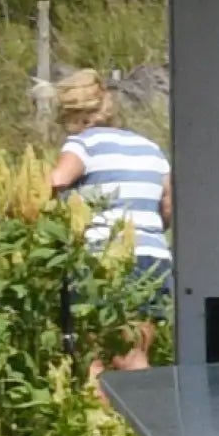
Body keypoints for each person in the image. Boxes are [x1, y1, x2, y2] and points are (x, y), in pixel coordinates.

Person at [50, 65, 172, 358]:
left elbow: (57, 180)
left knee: (98, 358)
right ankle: (139, 404)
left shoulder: (83, 143)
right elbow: (167, 204)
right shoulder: (150, 148)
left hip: (104, 260)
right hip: (152, 258)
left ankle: (100, 404)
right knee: (136, 354)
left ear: (71, 115)